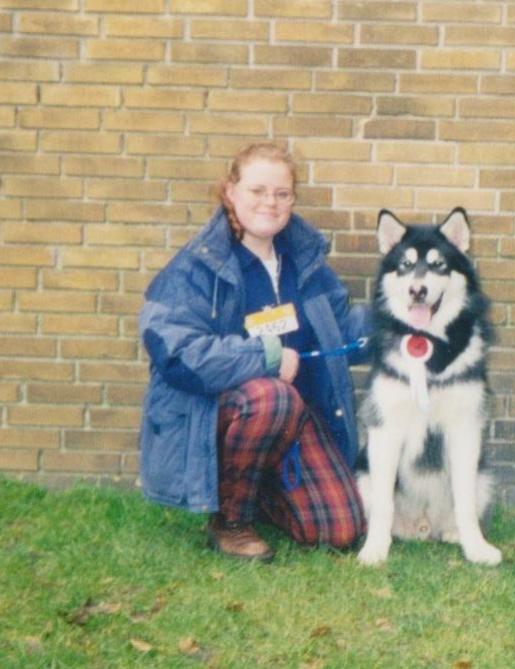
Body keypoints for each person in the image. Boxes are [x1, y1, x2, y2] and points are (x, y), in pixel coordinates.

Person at [138, 142, 370, 562]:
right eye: (258, 190)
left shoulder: (305, 261)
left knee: (340, 529)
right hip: (227, 414)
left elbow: (340, 332)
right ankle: (229, 520)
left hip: (295, 418)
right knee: (271, 396)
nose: (271, 202)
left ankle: (261, 488)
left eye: (282, 194)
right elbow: (174, 350)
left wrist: (400, 317)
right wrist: (265, 357)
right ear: (230, 191)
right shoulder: (195, 266)